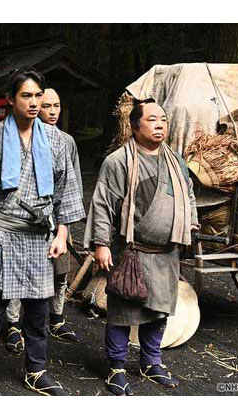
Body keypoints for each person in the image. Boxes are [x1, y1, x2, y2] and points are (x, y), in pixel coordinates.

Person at [0, 68, 85, 396]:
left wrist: (62, 234)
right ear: (10, 99)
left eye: (38, 96)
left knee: (38, 311)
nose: (33, 103)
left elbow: (66, 189)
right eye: (26, 96)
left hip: (40, 237)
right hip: (2, 234)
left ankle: (36, 370)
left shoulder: (56, 139)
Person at [83, 100, 199, 395]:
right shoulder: (118, 161)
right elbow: (102, 204)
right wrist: (101, 244)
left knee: (160, 310)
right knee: (123, 312)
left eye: (163, 119)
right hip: (131, 252)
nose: (160, 124)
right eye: (152, 119)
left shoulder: (176, 161)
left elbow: (188, 195)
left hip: (166, 252)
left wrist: (190, 224)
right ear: (134, 126)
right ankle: (116, 368)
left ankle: (151, 361)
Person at [4, 88, 84, 354]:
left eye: (56, 105)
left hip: (56, 220)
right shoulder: (15, 138)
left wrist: (66, 224)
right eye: (46, 105)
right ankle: (13, 324)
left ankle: (56, 318)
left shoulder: (66, 141)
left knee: (60, 270)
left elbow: (71, 185)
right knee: (18, 272)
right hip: (24, 219)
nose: (51, 111)